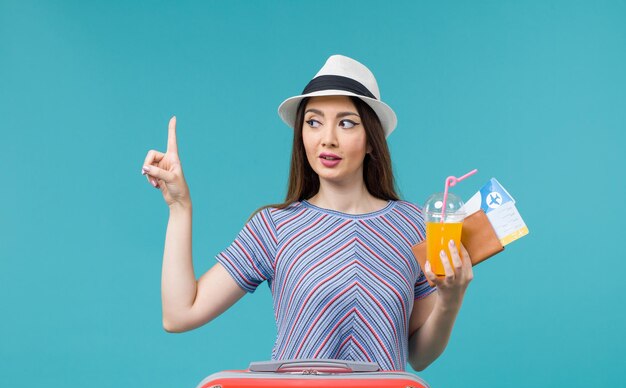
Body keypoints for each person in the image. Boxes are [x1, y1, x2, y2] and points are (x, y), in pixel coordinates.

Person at [142, 55, 473, 371]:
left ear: (372, 140)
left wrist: (450, 299)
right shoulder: (274, 227)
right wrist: (179, 207)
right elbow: (179, 314)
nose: (327, 139)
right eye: (314, 122)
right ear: (301, 134)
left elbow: (419, 355)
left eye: (346, 123)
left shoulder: (412, 224)